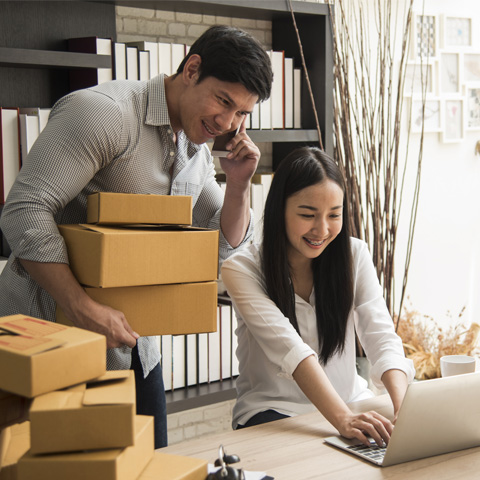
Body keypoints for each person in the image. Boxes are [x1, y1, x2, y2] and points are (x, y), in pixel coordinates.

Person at [0, 25, 273, 448]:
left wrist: (238, 186)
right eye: (223, 101)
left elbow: (222, 245)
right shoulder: (104, 113)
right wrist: (84, 307)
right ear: (192, 69)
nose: (227, 123)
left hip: (134, 349)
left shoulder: (194, 150)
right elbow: (24, 211)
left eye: (241, 114)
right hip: (50, 341)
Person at [221, 146, 415, 447]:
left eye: (334, 215)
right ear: (279, 210)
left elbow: (381, 337)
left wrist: (404, 408)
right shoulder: (241, 269)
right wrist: (342, 419)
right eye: (307, 215)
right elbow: (291, 350)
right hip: (275, 413)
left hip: (352, 402)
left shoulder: (355, 255)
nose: (322, 230)